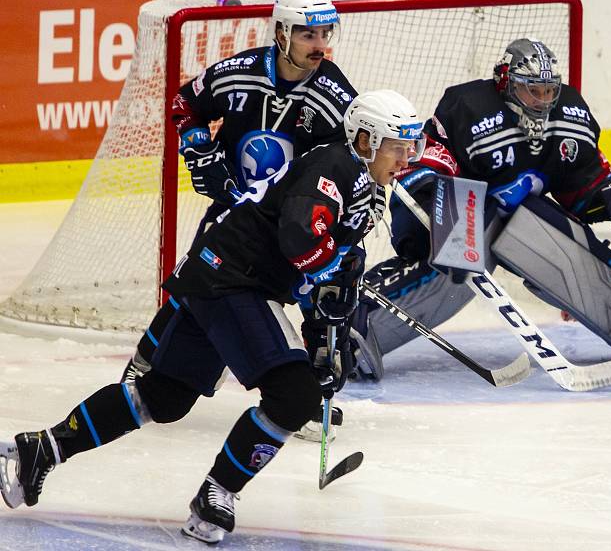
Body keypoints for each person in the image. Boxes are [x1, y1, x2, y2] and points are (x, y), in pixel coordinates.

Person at [0, 90, 424, 545]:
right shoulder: (334, 167)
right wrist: (335, 275)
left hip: (217, 274)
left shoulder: (360, 182)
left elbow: (328, 264)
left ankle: (41, 449)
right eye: (398, 146)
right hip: (233, 279)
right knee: (293, 397)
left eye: (410, 147)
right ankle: (216, 494)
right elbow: (302, 242)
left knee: (162, 397)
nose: (406, 158)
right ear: (364, 140)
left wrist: (327, 337)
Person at [350, 38, 611, 381]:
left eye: (549, 91)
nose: (542, 100)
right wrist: (446, 200)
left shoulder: (570, 116)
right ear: (506, 83)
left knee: (554, 234)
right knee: (459, 260)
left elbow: (583, 186)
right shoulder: (468, 105)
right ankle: (354, 326)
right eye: (532, 90)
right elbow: (425, 162)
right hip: (448, 212)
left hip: (517, 220)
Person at [122, 0, 361, 383]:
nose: (320, 45)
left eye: (325, 33)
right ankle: (146, 365)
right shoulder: (239, 72)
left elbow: (352, 160)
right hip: (234, 212)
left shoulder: (335, 96)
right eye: (308, 34)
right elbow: (186, 105)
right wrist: (199, 148)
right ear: (282, 33)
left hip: (294, 219)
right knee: (194, 285)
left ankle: (313, 389)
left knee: (322, 293)